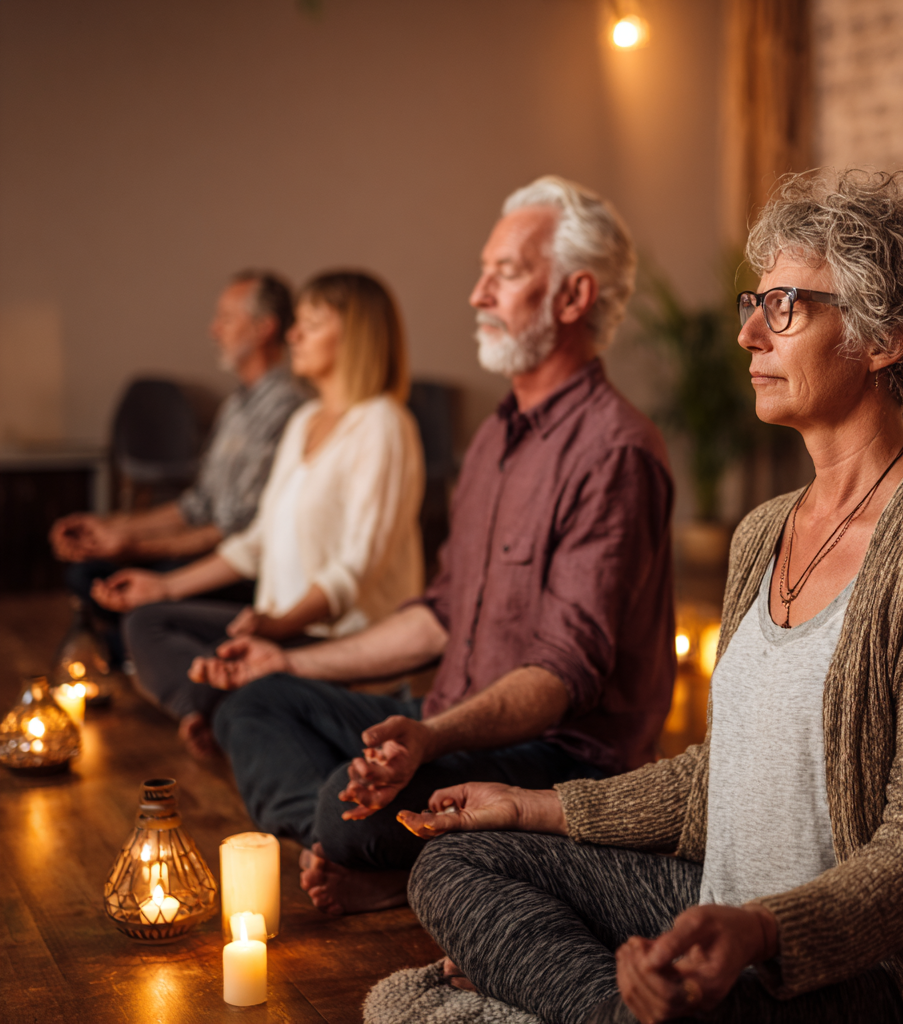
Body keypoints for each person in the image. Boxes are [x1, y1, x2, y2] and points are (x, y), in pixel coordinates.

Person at [397, 170, 903, 1024]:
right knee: (457, 866)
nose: (750, 336)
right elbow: (715, 776)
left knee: (710, 995)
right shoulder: (762, 531)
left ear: (888, 336)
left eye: (788, 307)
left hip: (875, 973)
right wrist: (530, 807)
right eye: (752, 305)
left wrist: (762, 930)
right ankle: (633, 1009)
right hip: (722, 912)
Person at [188, 175, 676, 916]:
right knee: (254, 703)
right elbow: (440, 613)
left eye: (505, 274)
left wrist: (429, 737)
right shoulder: (493, 438)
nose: (478, 294)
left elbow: (560, 679)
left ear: (573, 299)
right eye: (484, 272)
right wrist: (287, 657)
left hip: (558, 757)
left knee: (343, 804)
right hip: (446, 715)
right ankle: (361, 848)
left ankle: (368, 850)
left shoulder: (615, 452)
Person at [93, 271, 425, 759]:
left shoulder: (383, 423)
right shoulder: (303, 422)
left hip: (331, 639)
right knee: (147, 621)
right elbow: (256, 542)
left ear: (355, 335)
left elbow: (353, 573)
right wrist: (162, 586)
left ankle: (230, 714)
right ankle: (219, 712)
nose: (293, 335)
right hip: (277, 626)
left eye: (310, 323)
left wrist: (279, 627)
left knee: (224, 668)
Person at [49, 271, 305, 666]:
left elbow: (234, 532)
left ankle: (138, 653)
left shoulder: (285, 409)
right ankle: (129, 653)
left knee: (117, 586)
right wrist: (112, 528)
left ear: (263, 329)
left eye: (226, 318)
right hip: (218, 546)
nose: (213, 329)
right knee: (87, 569)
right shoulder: (237, 404)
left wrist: (133, 548)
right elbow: (197, 504)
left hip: (237, 568)